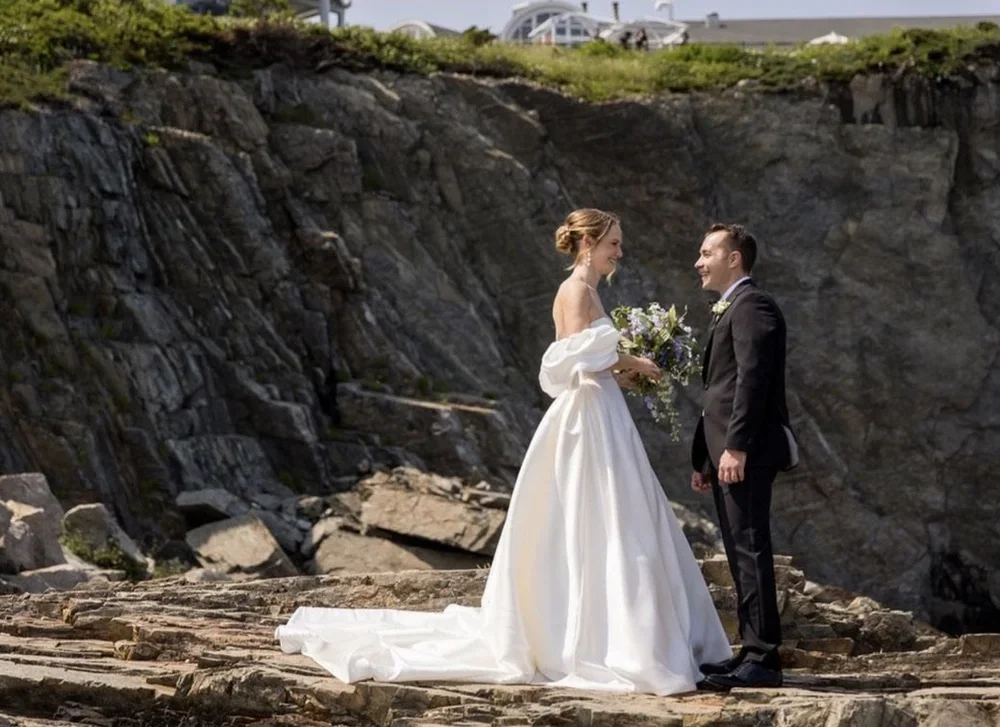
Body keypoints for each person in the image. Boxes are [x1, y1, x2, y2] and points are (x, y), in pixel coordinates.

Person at [276, 209, 733, 695]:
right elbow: (575, 356)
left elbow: (584, 360)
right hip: (590, 416)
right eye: (613, 244)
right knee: (606, 513)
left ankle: (609, 625)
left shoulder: (589, 291)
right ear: (588, 244)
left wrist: (628, 373)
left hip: (599, 405)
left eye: (618, 244)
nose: (619, 252)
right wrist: (639, 360)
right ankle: (606, 637)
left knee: (615, 513)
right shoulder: (577, 290)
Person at [690, 223, 798, 691]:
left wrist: (735, 447)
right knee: (739, 549)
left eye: (707, 251)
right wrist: (705, 458)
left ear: (734, 258)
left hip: (745, 450)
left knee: (751, 548)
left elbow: (751, 380)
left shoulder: (752, 304)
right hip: (728, 451)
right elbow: (720, 388)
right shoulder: (729, 308)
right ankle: (750, 651)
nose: (699, 261)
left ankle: (764, 658)